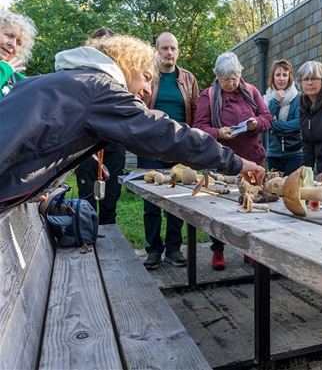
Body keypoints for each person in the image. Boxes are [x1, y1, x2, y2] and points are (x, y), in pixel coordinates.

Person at [0, 35, 265, 213]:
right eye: (147, 78)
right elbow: (164, 134)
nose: (149, 91)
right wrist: (237, 162)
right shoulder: (100, 88)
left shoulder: (74, 81)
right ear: (127, 66)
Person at [194, 51, 271, 270]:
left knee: (253, 204)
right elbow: (199, 127)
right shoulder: (208, 95)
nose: (231, 83)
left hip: (253, 159)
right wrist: (219, 133)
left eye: (235, 78)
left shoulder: (251, 91)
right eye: (226, 79)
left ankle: (250, 249)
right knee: (220, 208)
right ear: (217, 76)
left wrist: (255, 123)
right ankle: (218, 250)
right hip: (223, 161)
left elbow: (267, 118)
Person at [138, 32, 201, 270]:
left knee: (176, 197)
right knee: (151, 199)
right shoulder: (147, 76)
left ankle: (174, 248)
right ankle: (153, 249)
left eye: (173, 48)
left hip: (179, 146)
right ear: (157, 50)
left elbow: (195, 112)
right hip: (150, 145)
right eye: (164, 48)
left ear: (178, 51)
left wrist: (192, 141)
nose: (169, 53)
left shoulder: (188, 79)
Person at [74, 28, 127, 228]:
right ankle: (87, 237)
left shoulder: (121, 75)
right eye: (100, 46)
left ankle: (109, 240)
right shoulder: (80, 71)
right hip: (86, 146)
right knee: (86, 196)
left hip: (113, 144)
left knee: (111, 196)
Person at [263, 59, 302, 175]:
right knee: (274, 189)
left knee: (293, 190)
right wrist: (275, 101)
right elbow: (265, 121)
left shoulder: (297, 97)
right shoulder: (267, 98)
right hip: (273, 153)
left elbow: (298, 123)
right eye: (278, 75)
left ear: (290, 77)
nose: (281, 78)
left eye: (285, 75)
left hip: (295, 153)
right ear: (273, 77)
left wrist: (273, 125)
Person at [0, 9, 36, 98]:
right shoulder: (5, 70)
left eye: (19, 43)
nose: (13, 44)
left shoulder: (19, 80)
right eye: (9, 35)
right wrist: (3, 70)